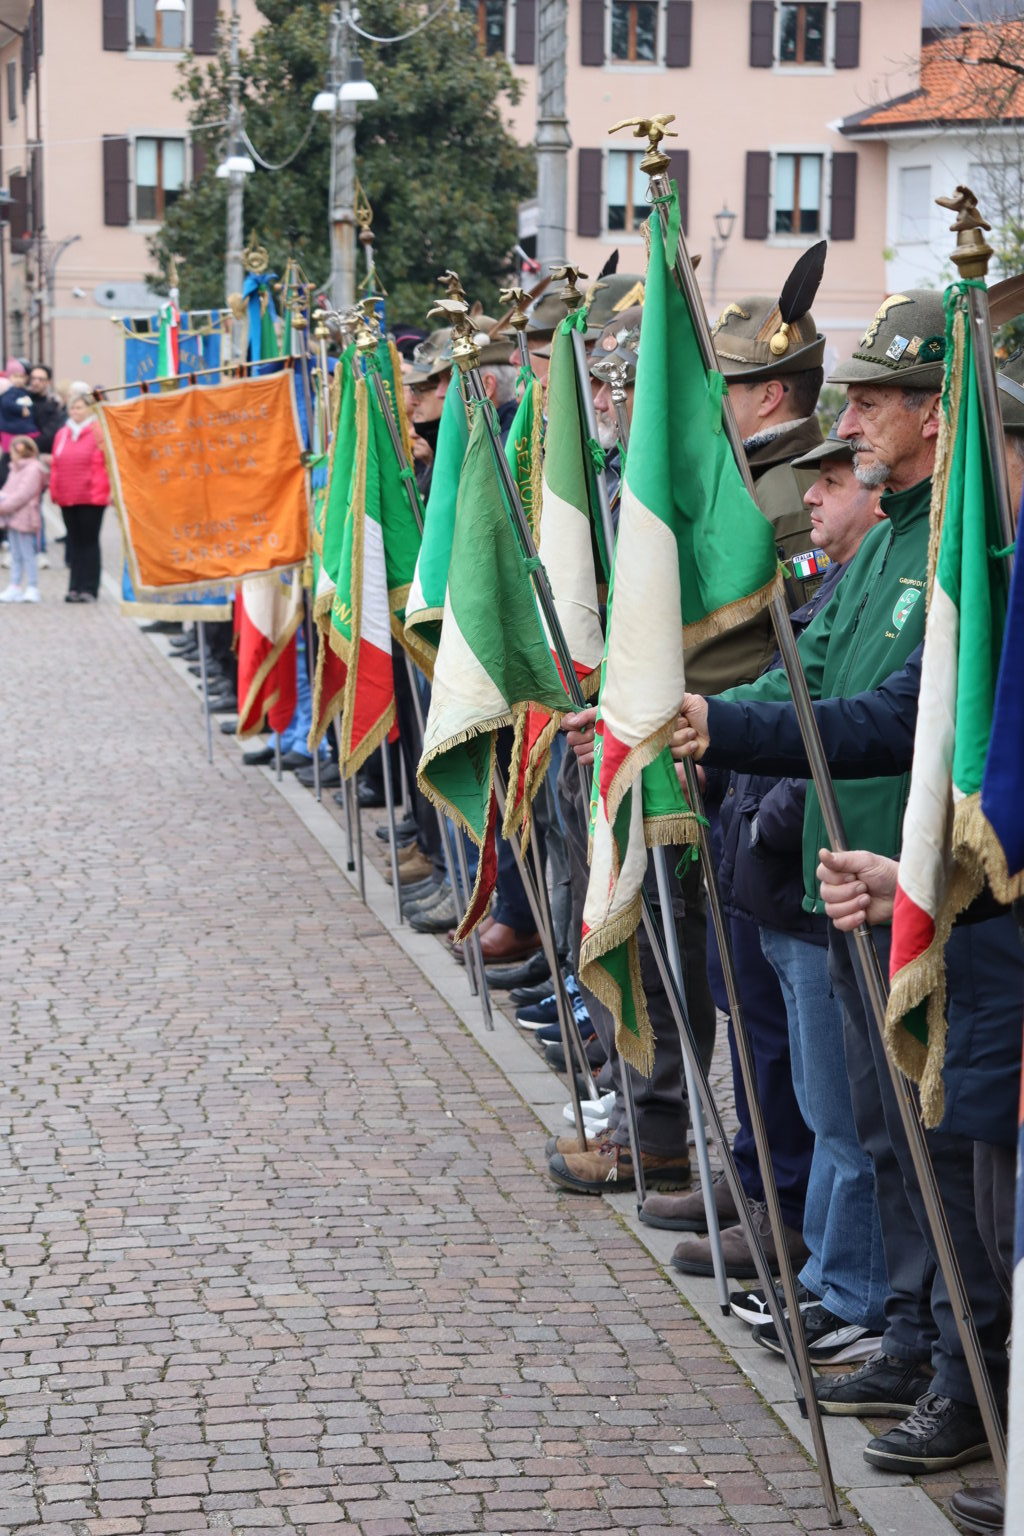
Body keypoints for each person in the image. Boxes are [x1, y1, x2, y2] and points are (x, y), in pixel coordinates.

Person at [670, 290, 1014, 1477]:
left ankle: (965, 1372)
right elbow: (809, 673)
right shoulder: (891, 541)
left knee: (939, 1149)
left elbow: (890, 718)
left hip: (924, 891)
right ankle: (918, 1340)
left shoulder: (950, 548)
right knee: (885, 1136)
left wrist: (724, 726)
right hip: (855, 884)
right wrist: (708, 717)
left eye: (871, 402)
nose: (850, 422)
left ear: (935, 413)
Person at [50, 391, 111, 603]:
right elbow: (56, 464)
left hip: (91, 496)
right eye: (72, 408)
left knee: (89, 541)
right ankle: (74, 586)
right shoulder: (63, 433)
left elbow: (106, 463)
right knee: (74, 542)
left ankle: (89, 587)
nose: (75, 411)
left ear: (89, 409)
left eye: (79, 407)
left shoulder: (98, 431)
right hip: (68, 495)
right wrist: (55, 491)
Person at [0, 436, 47, 602]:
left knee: (27, 553)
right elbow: (8, 488)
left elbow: (23, 494)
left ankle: (32, 586)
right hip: (12, 516)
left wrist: (4, 505)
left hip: (25, 516)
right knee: (15, 553)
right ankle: (15, 585)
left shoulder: (33, 469)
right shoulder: (15, 468)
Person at [26, 363, 67, 454]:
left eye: (40, 379)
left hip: (39, 453)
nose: (36, 382)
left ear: (48, 382)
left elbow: (49, 435)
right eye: (33, 378)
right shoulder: (21, 399)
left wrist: (27, 447)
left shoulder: (54, 405)